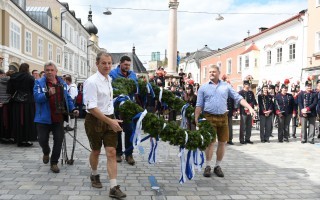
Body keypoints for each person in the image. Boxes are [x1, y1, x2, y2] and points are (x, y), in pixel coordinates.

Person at [195, 65, 255, 178]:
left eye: (214, 72)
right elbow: (199, 104)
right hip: (209, 118)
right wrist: (196, 118)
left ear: (218, 73)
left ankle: (217, 166)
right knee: (210, 142)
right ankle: (207, 166)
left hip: (223, 118)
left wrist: (250, 108)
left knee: (223, 142)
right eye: (210, 72)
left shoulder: (226, 86)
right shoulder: (203, 88)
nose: (211, 73)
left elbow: (238, 97)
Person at [83, 51, 126, 198]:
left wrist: (112, 118)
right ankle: (94, 174)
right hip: (94, 119)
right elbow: (91, 107)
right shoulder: (91, 82)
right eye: (104, 63)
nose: (107, 66)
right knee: (96, 151)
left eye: (109, 63)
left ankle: (113, 187)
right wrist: (110, 121)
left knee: (112, 152)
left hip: (109, 118)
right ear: (97, 64)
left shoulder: (109, 79)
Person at [34, 61, 78, 173]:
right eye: (47, 70)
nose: (49, 72)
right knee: (42, 139)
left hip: (58, 117)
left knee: (58, 140)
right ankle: (46, 151)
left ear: (56, 71)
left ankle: (54, 162)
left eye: (51, 70)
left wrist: (73, 108)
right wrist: (47, 94)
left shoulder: (62, 83)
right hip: (43, 118)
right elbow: (37, 98)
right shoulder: (39, 83)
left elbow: (67, 98)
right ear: (44, 71)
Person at [109, 55, 137, 165]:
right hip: (116, 107)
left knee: (130, 130)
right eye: (125, 64)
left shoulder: (133, 75)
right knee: (117, 130)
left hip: (129, 107)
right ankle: (118, 153)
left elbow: (135, 87)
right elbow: (112, 88)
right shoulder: (113, 74)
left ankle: (129, 154)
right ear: (120, 64)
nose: (127, 67)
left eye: (129, 65)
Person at [7, 63, 37, 147]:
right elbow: (33, 90)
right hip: (28, 102)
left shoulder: (13, 77)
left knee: (17, 119)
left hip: (17, 101)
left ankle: (18, 139)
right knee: (28, 120)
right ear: (27, 69)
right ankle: (26, 139)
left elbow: (9, 90)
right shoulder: (30, 78)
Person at [298, 80, 317, 144]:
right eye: (308, 86)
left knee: (312, 126)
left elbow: (314, 103)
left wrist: (307, 108)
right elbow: (300, 102)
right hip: (303, 112)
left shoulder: (314, 93)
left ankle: (311, 139)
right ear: (305, 86)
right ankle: (303, 139)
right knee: (303, 126)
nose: (309, 87)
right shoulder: (301, 93)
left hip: (312, 112)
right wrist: (303, 110)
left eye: (310, 86)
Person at [238, 80, 258, 144]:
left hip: (250, 110)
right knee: (243, 126)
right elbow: (238, 101)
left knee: (249, 126)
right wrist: (238, 109)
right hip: (243, 111)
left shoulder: (251, 93)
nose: (248, 86)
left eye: (249, 85)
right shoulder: (240, 92)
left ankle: (247, 138)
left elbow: (253, 100)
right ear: (244, 85)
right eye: (247, 84)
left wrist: (252, 106)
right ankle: (241, 139)